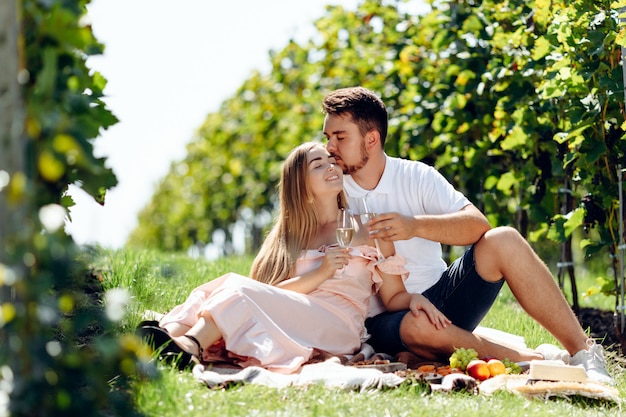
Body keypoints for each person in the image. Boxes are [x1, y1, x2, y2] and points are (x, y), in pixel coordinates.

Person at [321, 86, 614, 385]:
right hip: (385, 321)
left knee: (504, 239)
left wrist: (415, 225)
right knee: (418, 327)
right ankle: (531, 360)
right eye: (327, 137)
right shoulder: (330, 187)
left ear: (371, 139)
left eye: (340, 137)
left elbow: (476, 225)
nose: (329, 147)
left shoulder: (416, 176)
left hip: (442, 298)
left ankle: (583, 351)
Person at [137, 142, 447, 374]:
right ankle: (168, 338)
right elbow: (271, 296)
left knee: (235, 287)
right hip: (299, 314)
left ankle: (188, 347)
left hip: (338, 325)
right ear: (301, 185)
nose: (331, 167)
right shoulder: (287, 240)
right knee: (220, 288)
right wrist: (321, 272)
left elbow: (393, 296)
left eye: (332, 161)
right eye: (318, 164)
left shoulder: (369, 226)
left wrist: (414, 300)